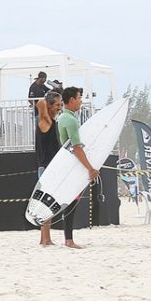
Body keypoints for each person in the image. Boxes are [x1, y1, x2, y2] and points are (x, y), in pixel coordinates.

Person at [57, 87, 100, 249]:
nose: (81, 100)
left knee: (70, 202)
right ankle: (68, 240)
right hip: (72, 165)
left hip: (66, 164)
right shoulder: (70, 120)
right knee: (71, 202)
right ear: (72, 100)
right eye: (79, 97)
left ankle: (68, 238)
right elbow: (76, 147)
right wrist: (90, 168)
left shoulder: (63, 118)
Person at [34, 91, 63, 246]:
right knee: (47, 204)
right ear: (49, 105)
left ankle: (45, 238)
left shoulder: (49, 121)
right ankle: (45, 239)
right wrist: (44, 103)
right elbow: (40, 103)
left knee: (48, 203)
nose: (60, 108)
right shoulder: (45, 122)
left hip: (47, 167)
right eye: (57, 105)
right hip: (46, 168)